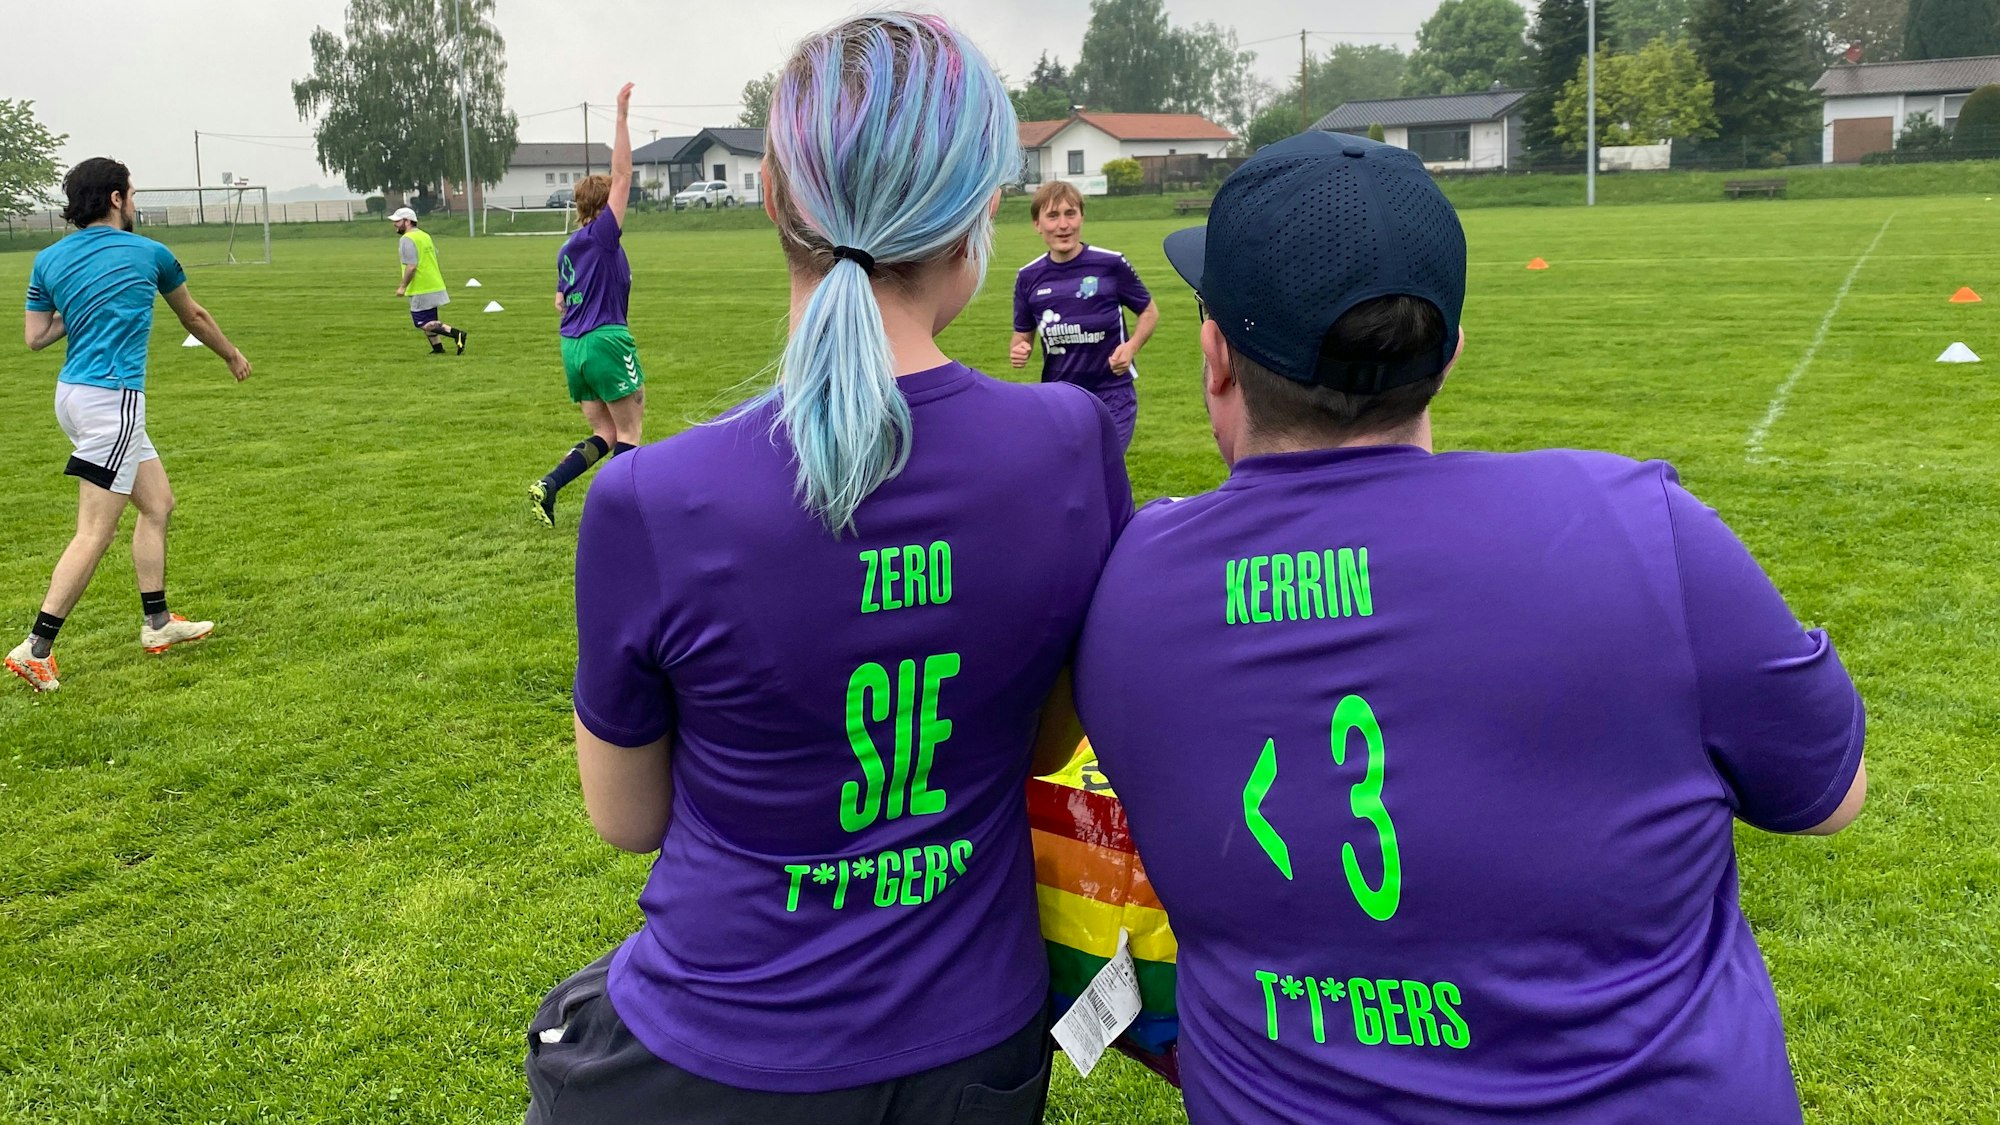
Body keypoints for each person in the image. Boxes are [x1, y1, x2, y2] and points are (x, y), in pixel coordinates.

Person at [1069, 132, 1869, 1125]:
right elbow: (1828, 798)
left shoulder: (1129, 582)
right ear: (1446, 352)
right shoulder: (1632, 525)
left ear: (1216, 354)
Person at [523, 14, 1130, 1124]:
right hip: (975, 1051)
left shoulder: (649, 499)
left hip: (716, 1048)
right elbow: (1044, 744)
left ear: (768, 193)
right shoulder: (1071, 445)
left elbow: (626, 816)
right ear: (975, 217)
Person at [9, 157, 252, 694]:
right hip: (113, 400)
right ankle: (36, 646)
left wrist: (84, 306)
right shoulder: (150, 253)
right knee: (95, 530)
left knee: (158, 504)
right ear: (116, 198)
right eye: (133, 194)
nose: (135, 202)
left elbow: (36, 337)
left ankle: (158, 623)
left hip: (72, 396)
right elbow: (194, 316)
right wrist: (232, 355)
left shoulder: (48, 259)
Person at [529, 81, 645, 528]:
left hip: (572, 347)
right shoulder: (602, 235)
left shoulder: (567, 249)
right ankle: (622, 515)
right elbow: (623, 176)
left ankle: (549, 485)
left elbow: (560, 301)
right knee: (631, 432)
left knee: (606, 433)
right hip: (603, 341)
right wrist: (620, 116)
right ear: (604, 209)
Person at [1009, 180, 1159, 450]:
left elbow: (1149, 311)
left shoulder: (1111, 264)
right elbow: (1022, 336)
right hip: (1060, 397)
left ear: (1082, 217)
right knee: (1071, 472)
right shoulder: (1027, 277)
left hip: (1112, 392)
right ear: (1037, 224)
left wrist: (1131, 347)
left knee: (1104, 467)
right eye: (1053, 216)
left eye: (1070, 213)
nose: (1063, 225)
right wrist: (1020, 349)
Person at [390, 207, 465, 356]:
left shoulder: (406, 239)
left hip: (421, 286)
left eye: (397, 221)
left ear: (408, 221)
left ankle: (457, 334)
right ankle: (438, 349)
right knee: (431, 320)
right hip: (434, 283)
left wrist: (402, 287)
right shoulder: (424, 236)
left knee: (422, 323)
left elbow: (411, 267)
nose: (395, 225)